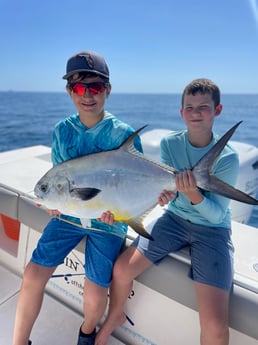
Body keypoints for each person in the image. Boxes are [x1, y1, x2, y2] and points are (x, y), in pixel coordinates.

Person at [12, 50, 142, 345]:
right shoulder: (62, 131)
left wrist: (120, 213)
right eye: (79, 88)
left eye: (95, 87)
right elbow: (59, 182)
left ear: (107, 90)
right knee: (32, 276)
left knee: (95, 298)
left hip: (108, 222)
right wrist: (54, 204)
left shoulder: (123, 133)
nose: (87, 95)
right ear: (70, 92)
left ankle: (86, 333)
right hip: (68, 217)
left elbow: (135, 185)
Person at [96, 78, 239, 345]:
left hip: (213, 232)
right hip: (174, 219)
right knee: (121, 271)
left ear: (217, 110)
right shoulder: (170, 144)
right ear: (181, 112)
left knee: (216, 327)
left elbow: (216, 217)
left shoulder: (228, 158)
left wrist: (192, 192)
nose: (196, 113)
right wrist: (165, 195)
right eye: (190, 107)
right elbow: (167, 189)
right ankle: (115, 316)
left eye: (203, 107)